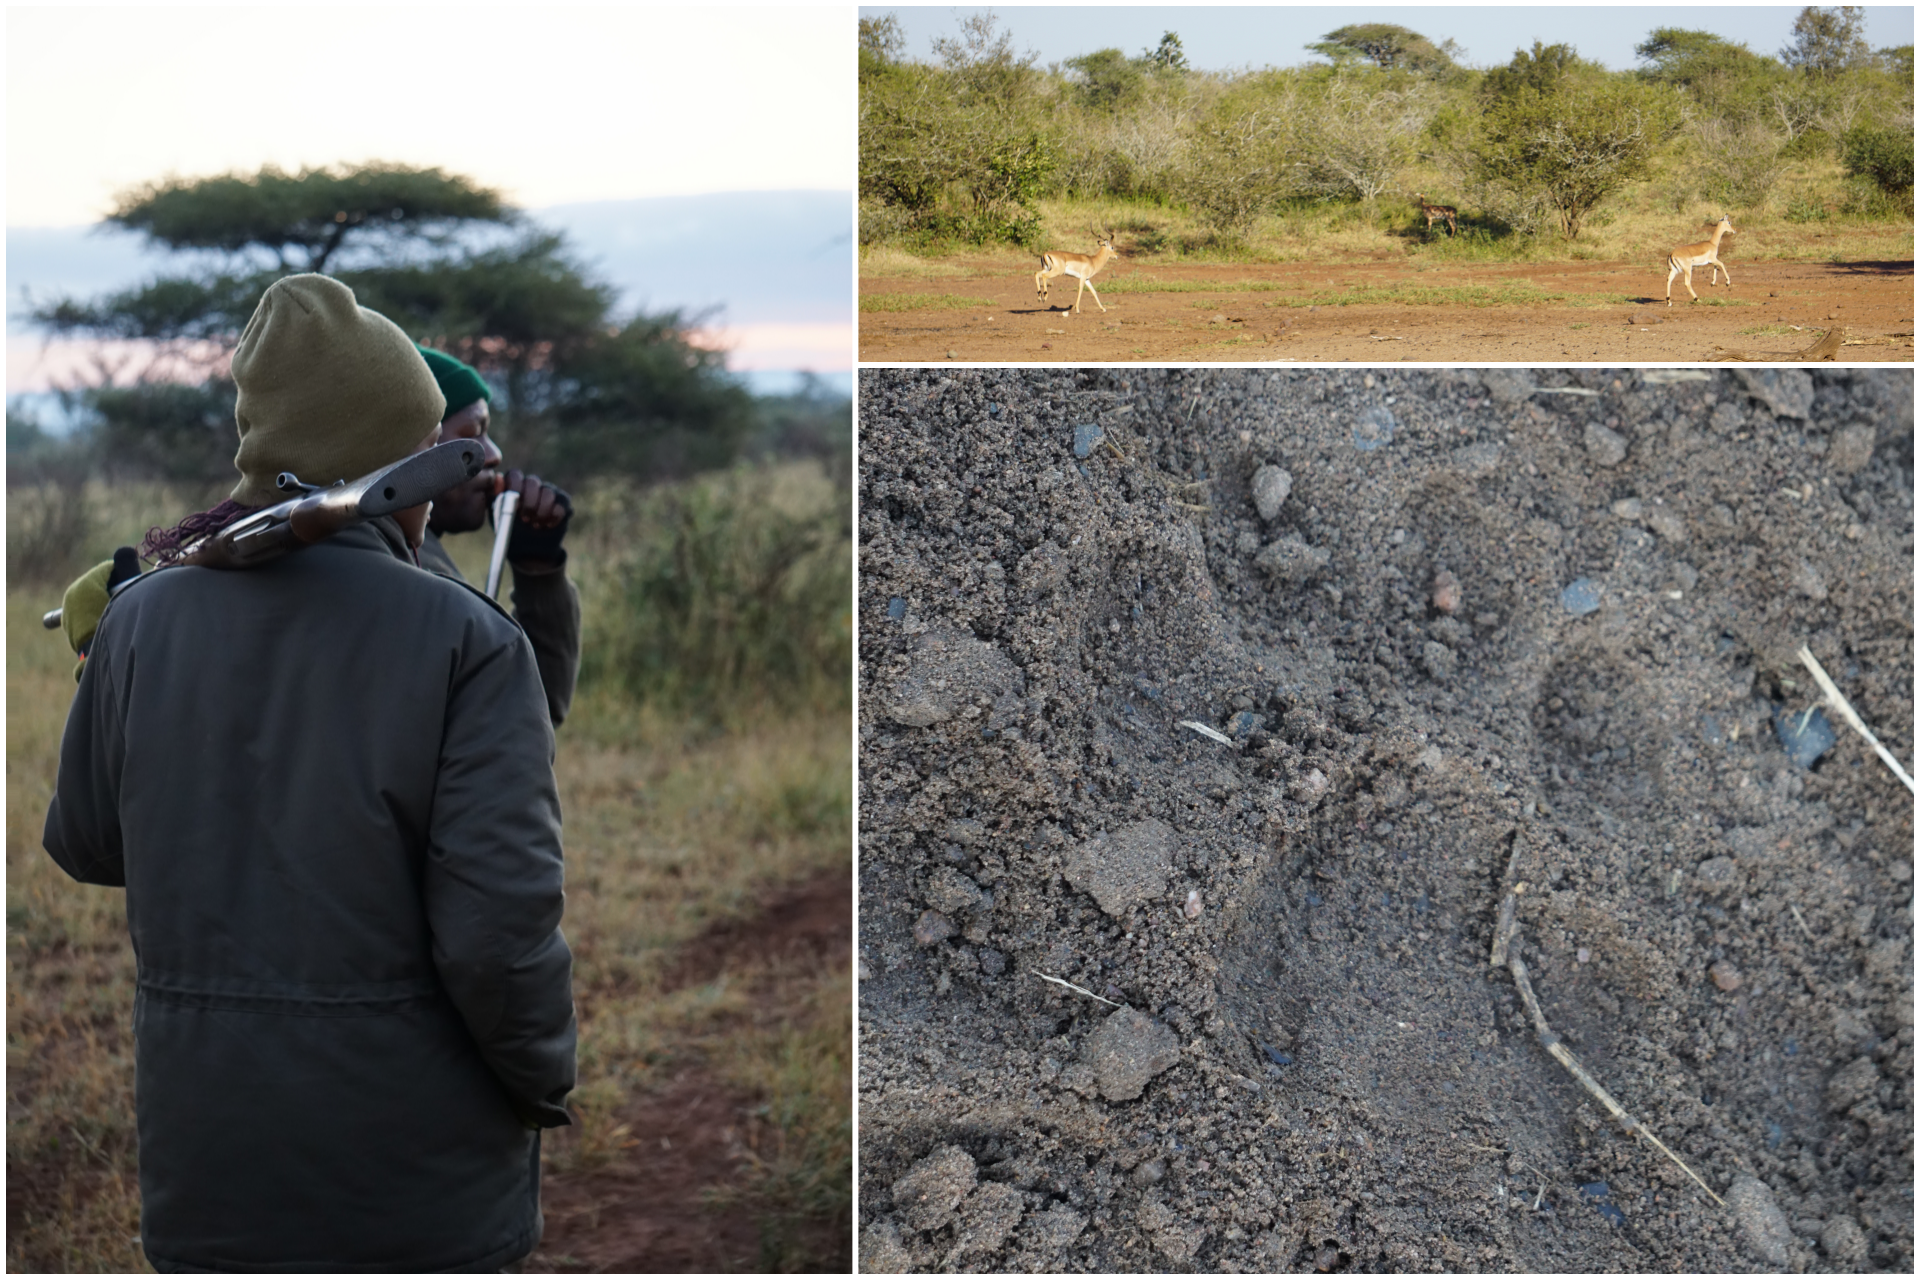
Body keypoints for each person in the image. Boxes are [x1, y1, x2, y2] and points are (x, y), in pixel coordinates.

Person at [42, 274, 576, 1273]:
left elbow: (87, 842)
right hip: (417, 1178)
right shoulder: (466, 638)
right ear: (399, 457)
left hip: (207, 1158)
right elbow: (499, 940)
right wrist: (544, 1081)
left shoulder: (143, 616)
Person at [414, 346, 581, 727]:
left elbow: (530, 708)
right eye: (473, 435)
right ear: (416, 447)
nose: (493, 455)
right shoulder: (417, 571)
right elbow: (520, 717)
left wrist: (537, 568)